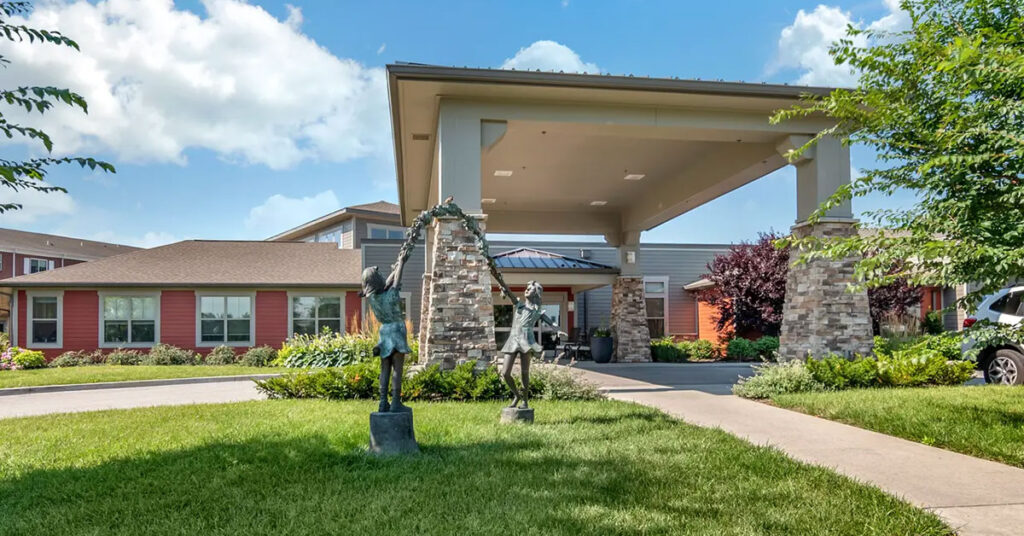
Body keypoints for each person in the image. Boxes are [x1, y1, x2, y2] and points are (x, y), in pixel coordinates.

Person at [499, 280, 566, 409]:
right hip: (513, 340)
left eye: (529, 289)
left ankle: (524, 401)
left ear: (535, 294)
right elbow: (509, 293)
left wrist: (558, 331)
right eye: (526, 288)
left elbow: (551, 323)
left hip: (527, 341)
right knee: (505, 373)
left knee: (525, 373)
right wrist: (502, 285)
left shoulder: (537, 311)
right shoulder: (519, 305)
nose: (526, 290)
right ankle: (516, 395)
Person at [360, 262, 411, 413]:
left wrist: (394, 270)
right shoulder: (391, 295)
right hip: (396, 331)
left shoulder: (373, 298)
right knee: (397, 369)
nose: (383, 277)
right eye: (380, 276)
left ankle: (383, 402)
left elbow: (387, 284)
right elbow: (394, 283)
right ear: (376, 281)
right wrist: (401, 264)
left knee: (385, 369)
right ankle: (395, 402)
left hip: (384, 333)